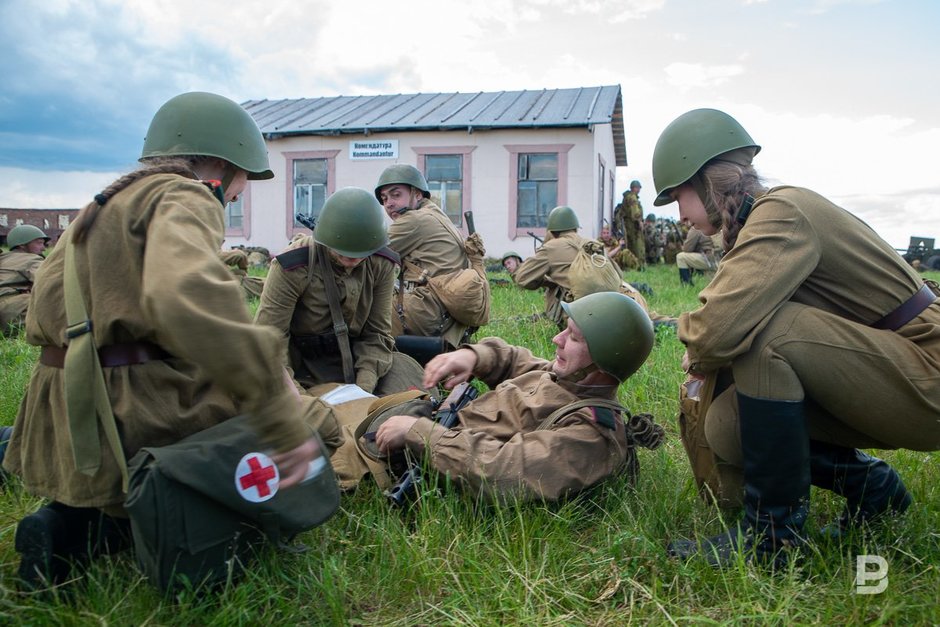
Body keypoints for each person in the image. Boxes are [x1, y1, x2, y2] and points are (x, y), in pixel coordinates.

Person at [3, 91, 336, 588]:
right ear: (222, 166)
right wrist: (276, 407)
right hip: (129, 397)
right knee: (298, 421)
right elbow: (188, 295)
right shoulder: (187, 195)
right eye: (242, 183)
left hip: (63, 396)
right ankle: (209, 534)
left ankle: (71, 530)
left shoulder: (104, 204)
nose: (239, 195)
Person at [651, 107, 940, 568]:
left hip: (929, 367)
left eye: (676, 196)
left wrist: (692, 338)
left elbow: (716, 331)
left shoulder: (782, 211)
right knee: (729, 423)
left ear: (705, 181)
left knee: (770, 333)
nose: (680, 214)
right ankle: (873, 489)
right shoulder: (762, 221)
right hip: (901, 364)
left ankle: (771, 540)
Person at [374, 291, 663, 502]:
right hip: (424, 421)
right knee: (396, 364)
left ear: (601, 363)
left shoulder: (590, 436)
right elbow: (515, 360)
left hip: (416, 454)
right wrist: (473, 356)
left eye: (574, 338)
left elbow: (501, 471)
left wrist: (421, 434)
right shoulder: (566, 378)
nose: (557, 339)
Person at [255, 187, 425, 395]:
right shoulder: (292, 267)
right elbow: (270, 339)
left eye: (360, 253)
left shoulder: (381, 263)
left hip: (358, 366)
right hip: (301, 370)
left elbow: (377, 334)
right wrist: (298, 397)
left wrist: (362, 391)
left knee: (409, 396)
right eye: (343, 252)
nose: (352, 260)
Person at [375, 164, 487, 352]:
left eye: (396, 195)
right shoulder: (437, 215)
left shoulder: (413, 220)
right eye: (384, 198)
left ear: (417, 194)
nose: (389, 203)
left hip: (426, 314)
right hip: (450, 319)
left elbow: (365, 254)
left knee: (362, 321)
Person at [513, 206, 588, 328]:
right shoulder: (592, 243)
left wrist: (549, 283)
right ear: (575, 227)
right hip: (609, 308)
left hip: (578, 316)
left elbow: (522, 278)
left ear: (552, 231)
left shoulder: (551, 247)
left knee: (558, 289)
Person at [1, 224, 50, 335]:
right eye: (39, 243)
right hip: (13, 310)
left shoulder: (4, 257)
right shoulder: (30, 259)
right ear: (22, 245)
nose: (43, 248)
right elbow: (51, 281)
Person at [614, 180, 646, 266]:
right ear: (634, 188)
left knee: (631, 244)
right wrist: (640, 221)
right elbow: (635, 212)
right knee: (637, 244)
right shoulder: (632, 197)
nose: (639, 190)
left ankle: (632, 263)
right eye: (638, 188)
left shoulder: (628, 196)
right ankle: (638, 264)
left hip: (628, 224)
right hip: (632, 225)